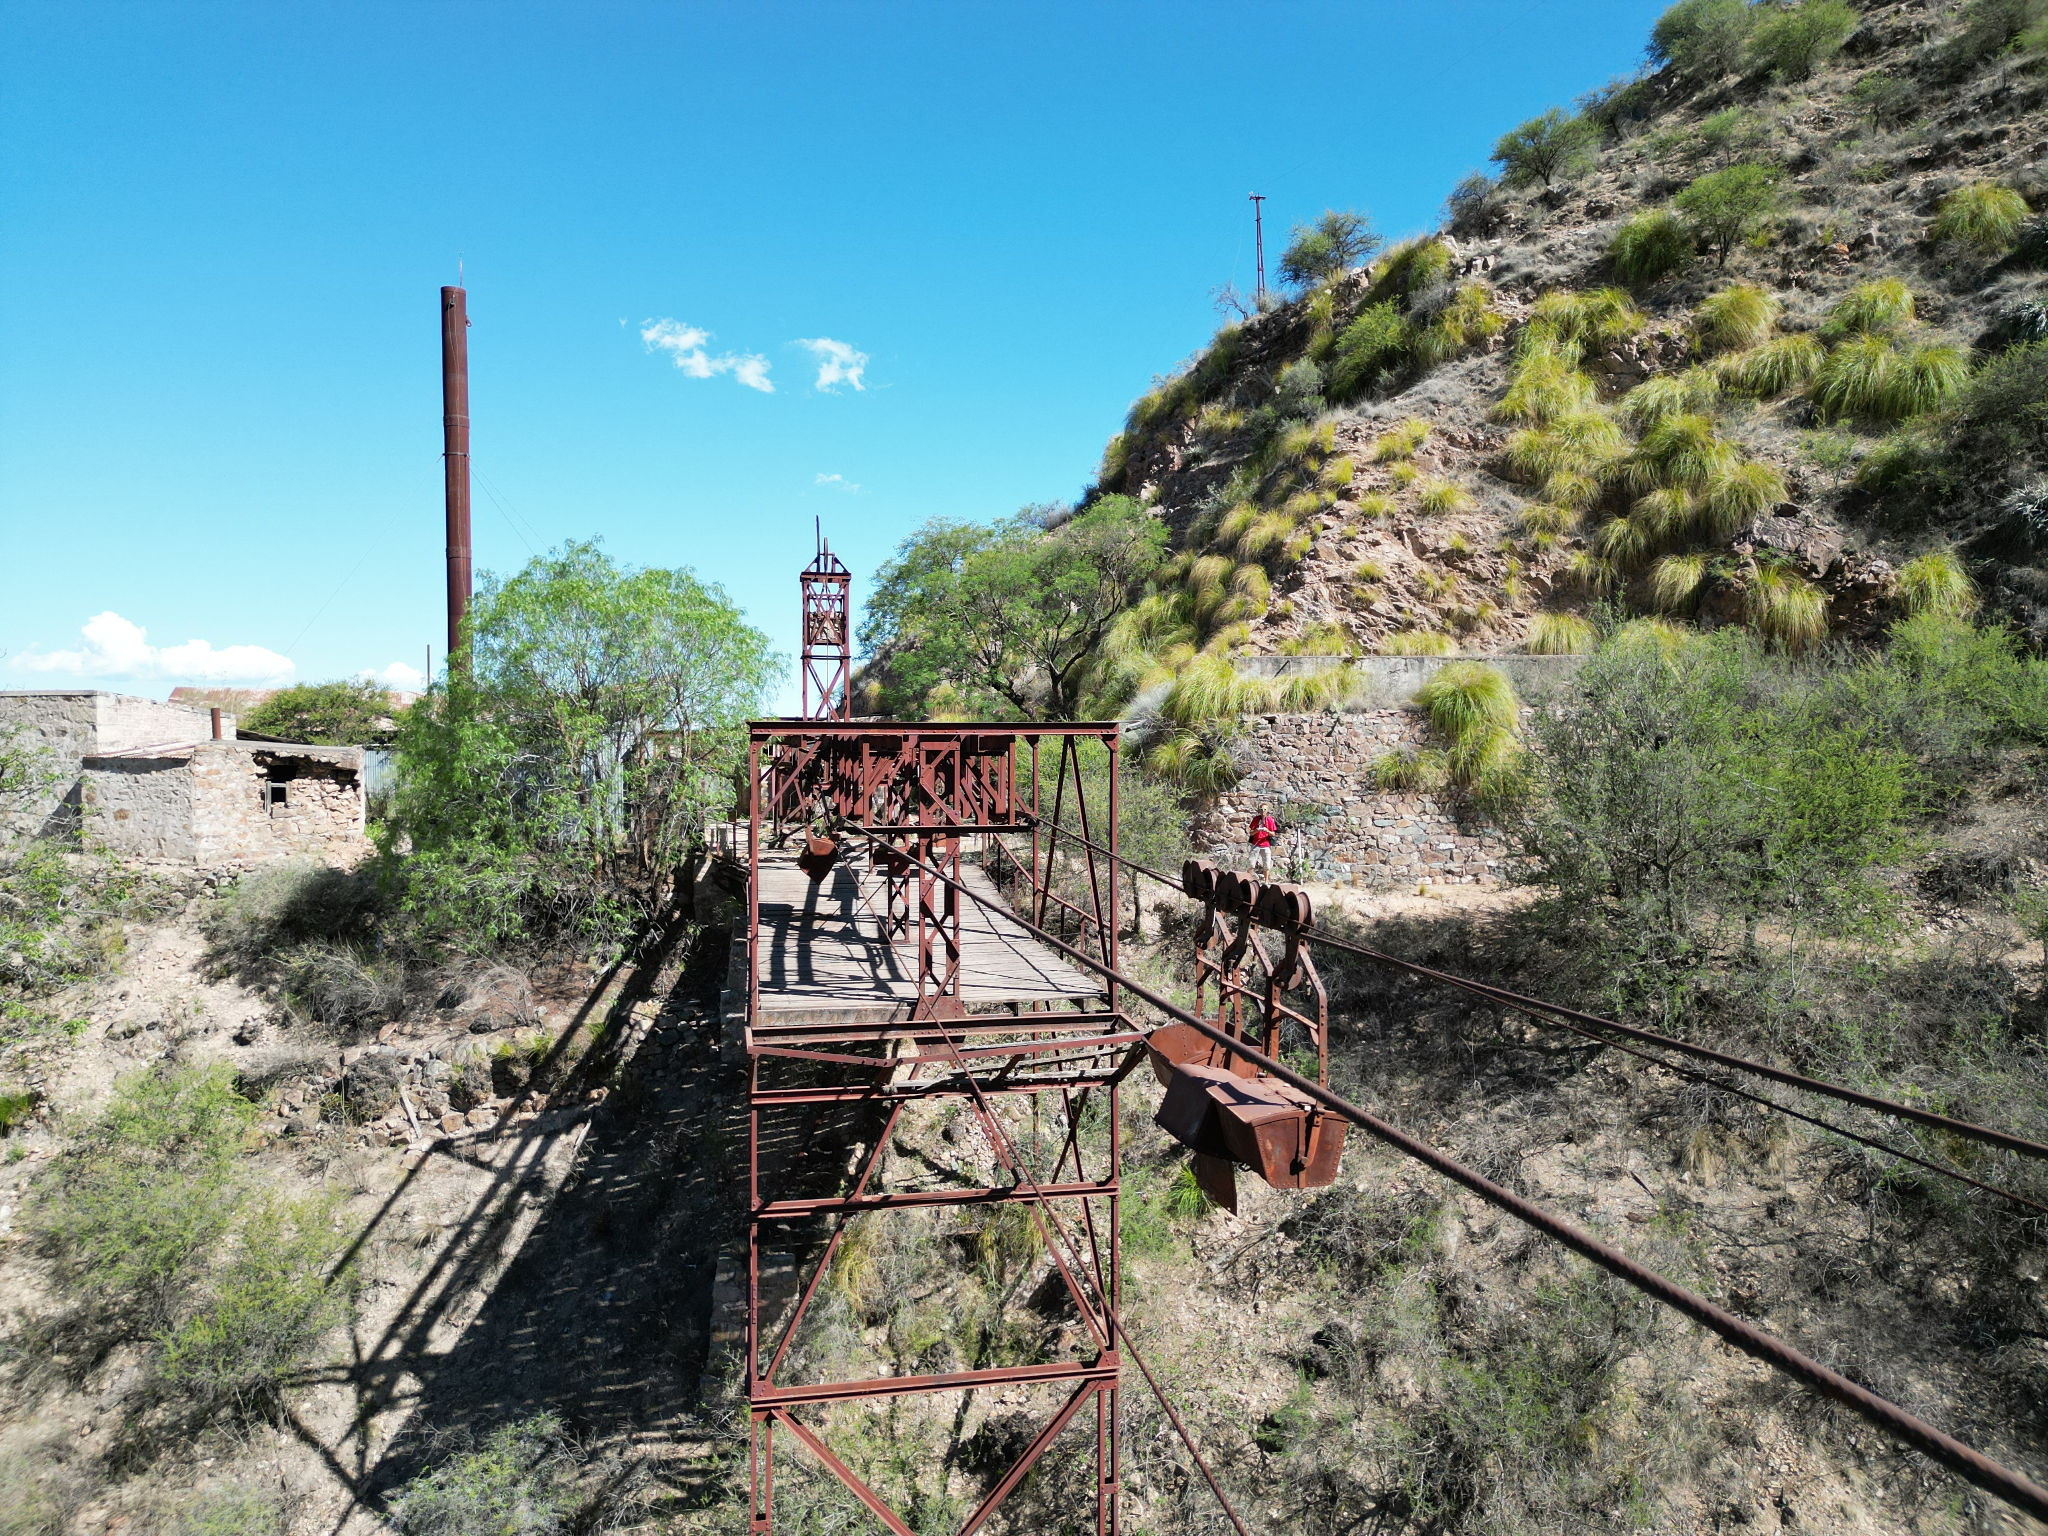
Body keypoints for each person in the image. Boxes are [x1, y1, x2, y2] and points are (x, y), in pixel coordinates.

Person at [1248, 803, 1280, 873]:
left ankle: (1266, 881)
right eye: (1261, 810)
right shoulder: (1256, 819)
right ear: (1259, 811)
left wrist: (1267, 831)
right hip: (1256, 843)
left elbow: (1273, 834)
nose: (1263, 811)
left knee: (1267, 865)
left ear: (1267, 811)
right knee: (1251, 864)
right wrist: (1256, 830)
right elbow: (1251, 833)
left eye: (1264, 809)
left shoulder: (1270, 820)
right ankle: (1250, 879)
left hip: (1265, 844)